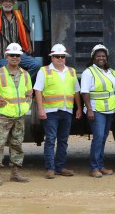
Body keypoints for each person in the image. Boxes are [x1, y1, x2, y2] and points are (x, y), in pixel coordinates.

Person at [0, 42, 33, 186]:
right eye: (12, 55)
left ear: (21, 58)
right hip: (4, 116)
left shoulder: (26, 75)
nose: (15, 57)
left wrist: (27, 105)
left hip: (19, 116)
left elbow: (29, 94)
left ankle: (15, 173)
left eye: (18, 55)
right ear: (6, 57)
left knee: (17, 144)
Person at [33, 43, 82, 179]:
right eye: (57, 56)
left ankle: (60, 167)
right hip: (51, 111)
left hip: (66, 110)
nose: (60, 59)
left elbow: (76, 91)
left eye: (62, 56)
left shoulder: (71, 71)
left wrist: (78, 107)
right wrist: (41, 109)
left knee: (63, 140)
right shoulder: (44, 71)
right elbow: (38, 90)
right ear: (52, 58)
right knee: (50, 140)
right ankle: (50, 168)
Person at [80, 44, 115, 178]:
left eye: (103, 56)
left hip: (109, 110)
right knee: (98, 138)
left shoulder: (111, 72)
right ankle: (94, 168)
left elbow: (114, 91)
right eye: (98, 56)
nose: (101, 58)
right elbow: (85, 92)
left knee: (103, 139)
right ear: (93, 58)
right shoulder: (88, 72)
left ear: (106, 58)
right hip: (96, 110)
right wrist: (89, 109)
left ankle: (100, 166)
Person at [0, 0, 41, 78]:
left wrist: (29, 46)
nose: (8, 3)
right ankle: (13, 86)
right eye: (5, 1)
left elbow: (26, 31)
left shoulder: (18, 14)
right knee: (7, 77)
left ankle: (23, 81)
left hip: (17, 53)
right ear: (1, 2)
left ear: (13, 3)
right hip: (2, 54)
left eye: (10, 1)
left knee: (36, 64)